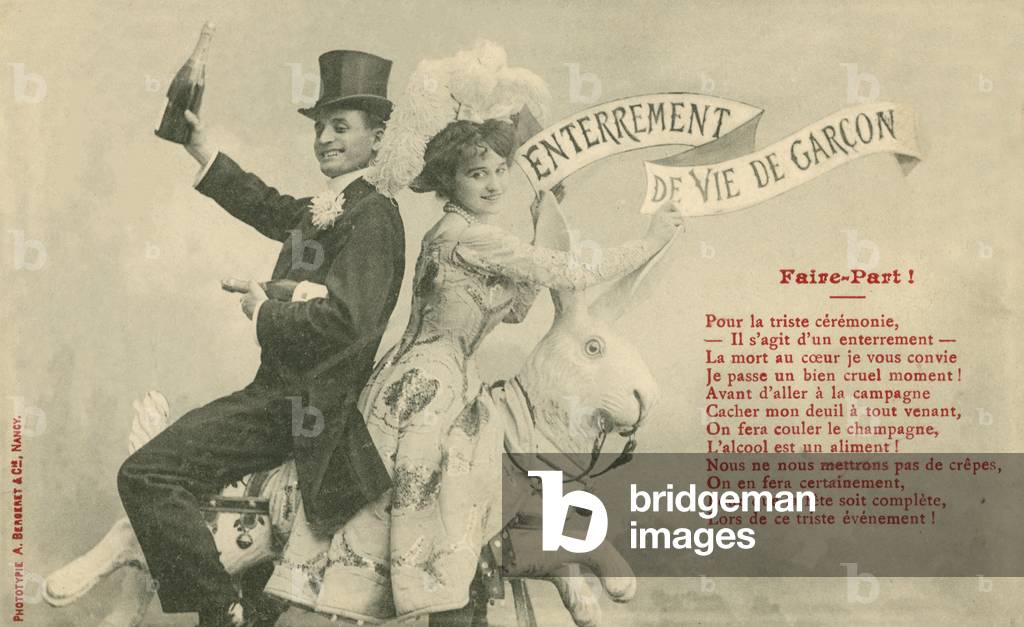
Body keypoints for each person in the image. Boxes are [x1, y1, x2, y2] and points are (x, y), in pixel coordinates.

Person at [263, 117, 682, 624]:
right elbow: (573, 272)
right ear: (449, 182)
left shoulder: (466, 235)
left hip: (451, 382)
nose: (494, 183)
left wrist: (542, 224)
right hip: (427, 387)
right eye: (476, 173)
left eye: (501, 170)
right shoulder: (467, 236)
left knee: (467, 499)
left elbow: (518, 308)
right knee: (443, 505)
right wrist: (651, 240)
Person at [117, 50, 405, 627]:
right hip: (282, 398)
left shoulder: (374, 215)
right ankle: (237, 607)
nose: (324, 138)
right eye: (320, 127)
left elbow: (347, 322)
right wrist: (199, 146)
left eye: (340, 126)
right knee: (164, 477)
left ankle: (221, 607)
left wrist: (262, 310)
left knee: (147, 473)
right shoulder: (336, 205)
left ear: (378, 137)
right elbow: (266, 205)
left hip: (302, 407)